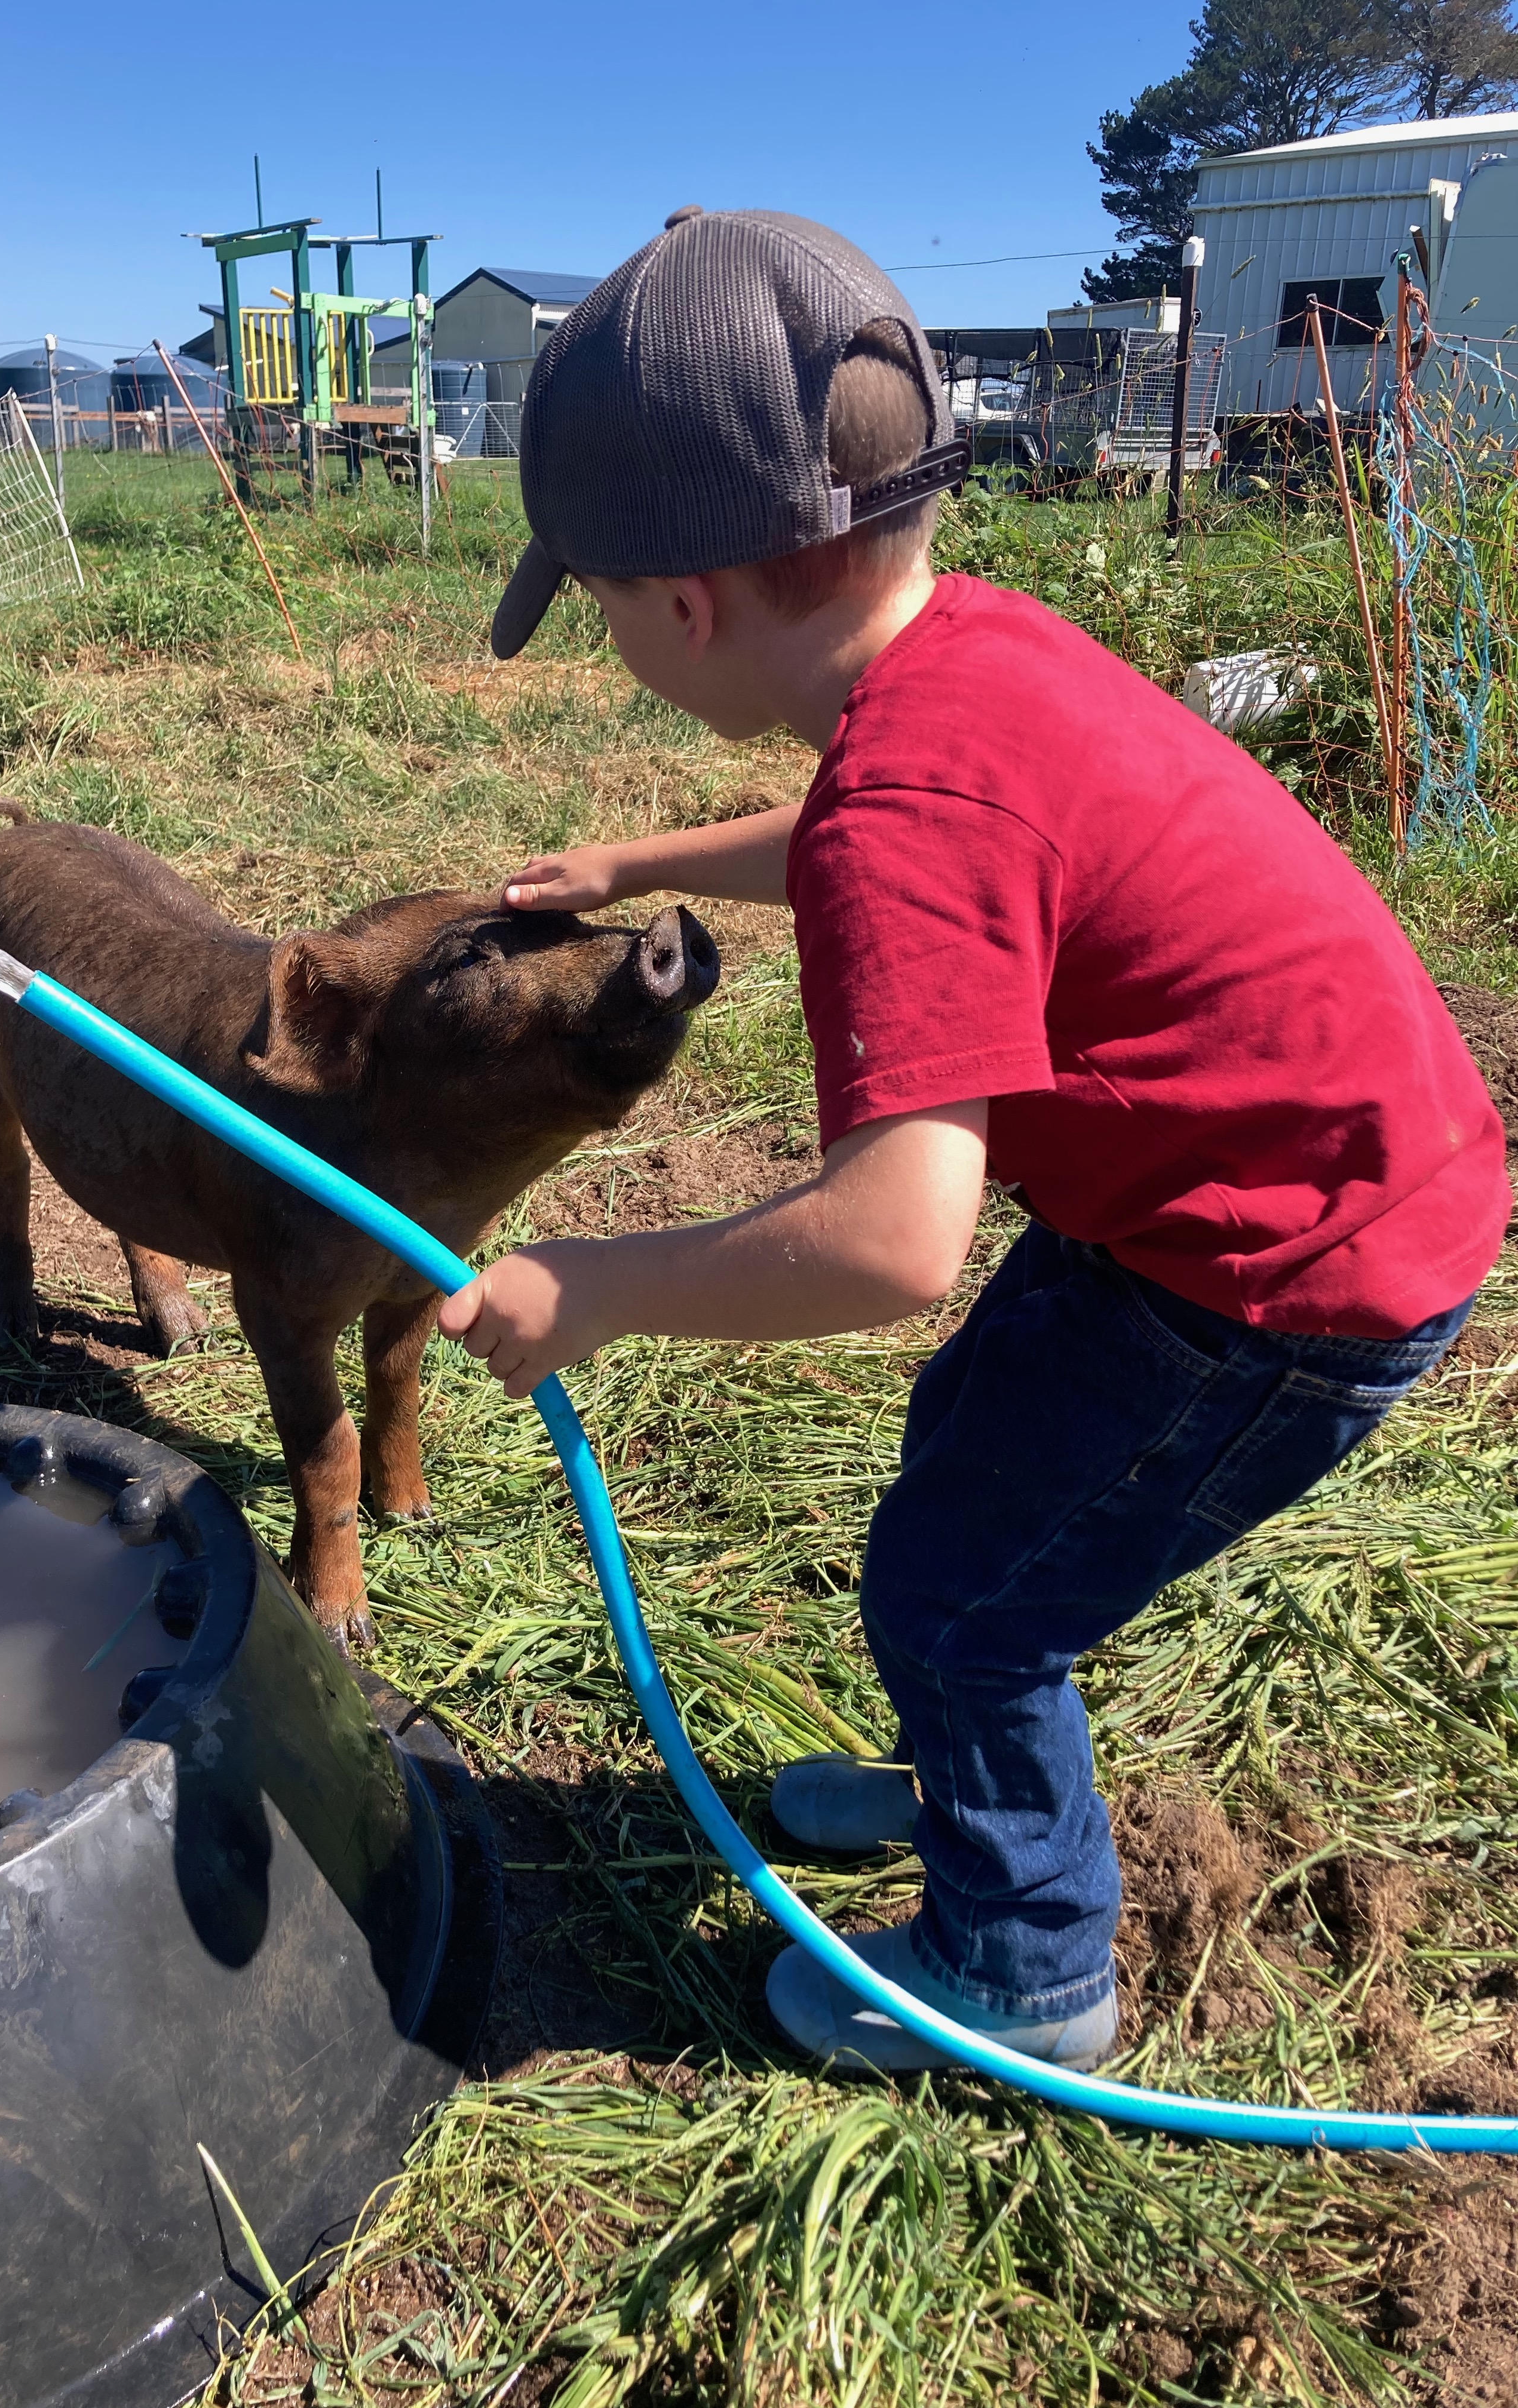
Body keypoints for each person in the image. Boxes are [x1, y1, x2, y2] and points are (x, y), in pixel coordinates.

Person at [436, 208, 1509, 2074]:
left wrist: (589, 1285)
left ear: (686, 603)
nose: (610, 640)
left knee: (969, 1595)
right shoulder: (967, 659)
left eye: (598, 606)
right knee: (977, 1469)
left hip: (1289, 1271)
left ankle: (1025, 1964)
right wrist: (645, 865)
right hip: (1263, 1178)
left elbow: (892, 1240)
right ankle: (965, 1765)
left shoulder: (900, 807)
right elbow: (880, 822)